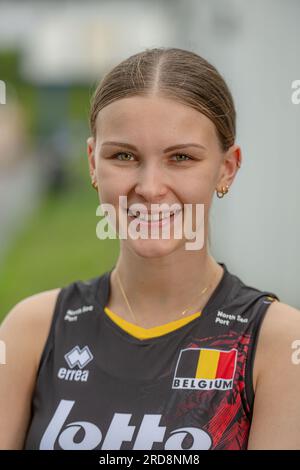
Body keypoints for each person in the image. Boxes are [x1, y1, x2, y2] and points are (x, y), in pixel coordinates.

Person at [1, 47, 300, 451]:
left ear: (227, 168)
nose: (150, 187)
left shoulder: (278, 344)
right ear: (92, 161)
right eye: (124, 156)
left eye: (181, 157)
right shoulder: (31, 331)